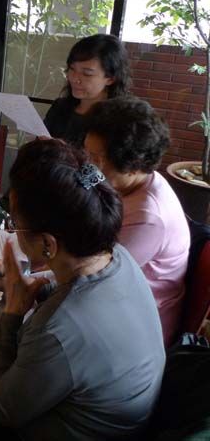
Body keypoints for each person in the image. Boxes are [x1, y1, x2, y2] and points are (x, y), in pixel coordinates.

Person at [0, 139, 164, 439]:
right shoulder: (116, 255)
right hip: (126, 416)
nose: (13, 231)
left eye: (15, 223)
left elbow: (3, 410)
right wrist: (34, 286)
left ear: (48, 244)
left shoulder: (58, 329)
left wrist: (12, 314)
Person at [84, 97, 189, 346]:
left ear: (133, 166)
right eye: (87, 153)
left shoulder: (149, 217)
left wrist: (31, 275)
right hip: (110, 298)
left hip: (136, 329)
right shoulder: (125, 184)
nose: (88, 165)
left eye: (96, 158)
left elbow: (91, 275)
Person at [43, 34, 131, 146]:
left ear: (110, 79)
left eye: (87, 74)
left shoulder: (121, 122)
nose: (74, 79)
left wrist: (65, 152)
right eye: (72, 69)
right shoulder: (60, 108)